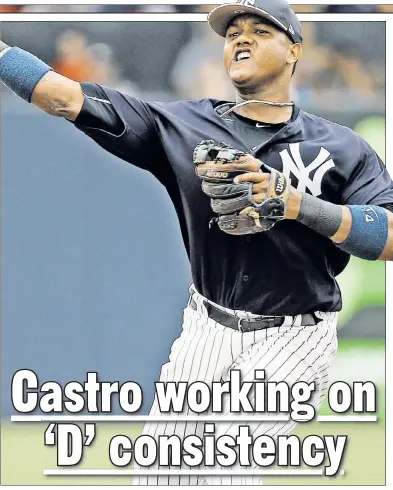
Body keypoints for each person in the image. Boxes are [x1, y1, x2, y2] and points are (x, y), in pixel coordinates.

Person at [1, 0, 392, 485]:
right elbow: (60, 96)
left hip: (294, 335)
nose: (240, 39)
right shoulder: (181, 126)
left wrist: (296, 204)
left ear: (294, 50)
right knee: (163, 478)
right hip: (205, 329)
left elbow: (388, 237)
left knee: (226, 471)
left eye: (259, 30)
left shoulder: (342, 147)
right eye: (232, 34)